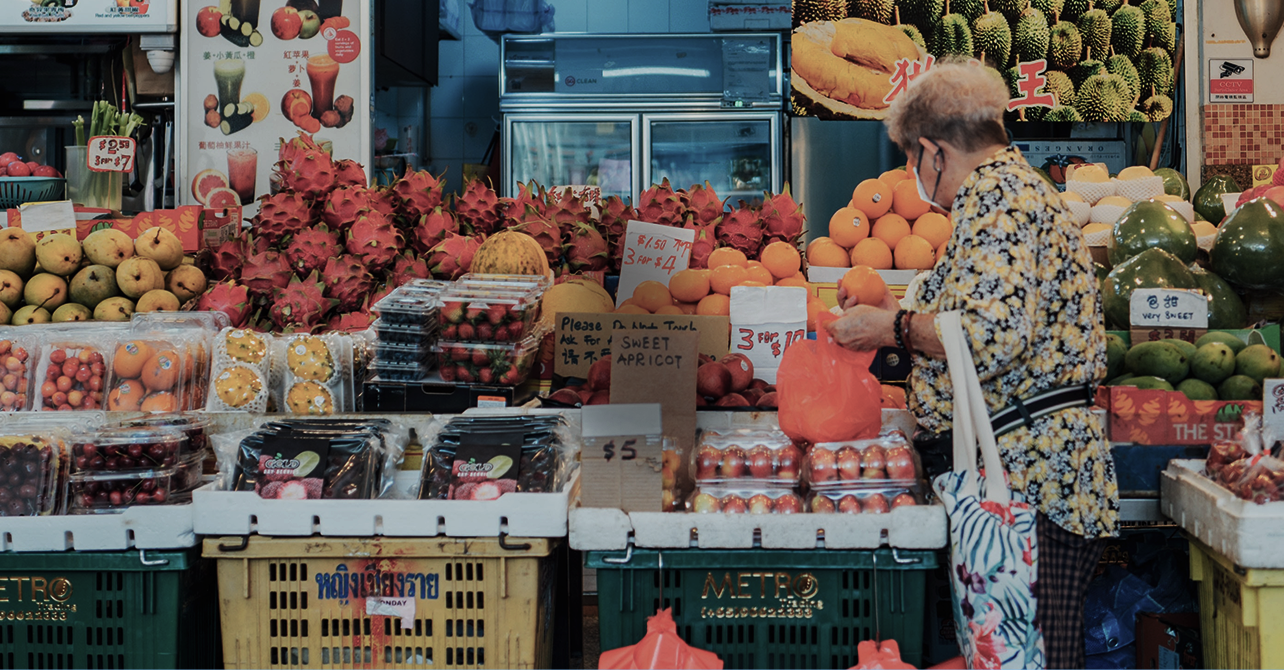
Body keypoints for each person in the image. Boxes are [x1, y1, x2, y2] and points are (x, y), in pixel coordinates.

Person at [826, 61, 1119, 669]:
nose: (914, 173)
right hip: (1028, 476)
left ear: (933, 150)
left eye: (912, 157)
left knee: (1030, 655)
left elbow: (988, 336)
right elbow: (978, 310)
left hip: (1031, 481)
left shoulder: (998, 198)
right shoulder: (1013, 192)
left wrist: (892, 327)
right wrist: (897, 308)